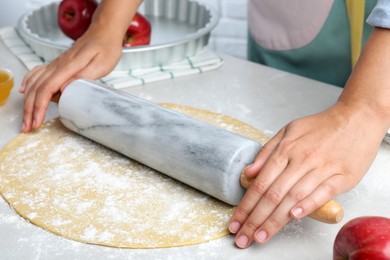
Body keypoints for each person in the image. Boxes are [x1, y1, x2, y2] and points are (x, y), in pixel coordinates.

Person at [20, 0, 390, 249]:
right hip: (301, 35)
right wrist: (109, 21)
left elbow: (366, 107)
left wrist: (365, 108)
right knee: (289, 96)